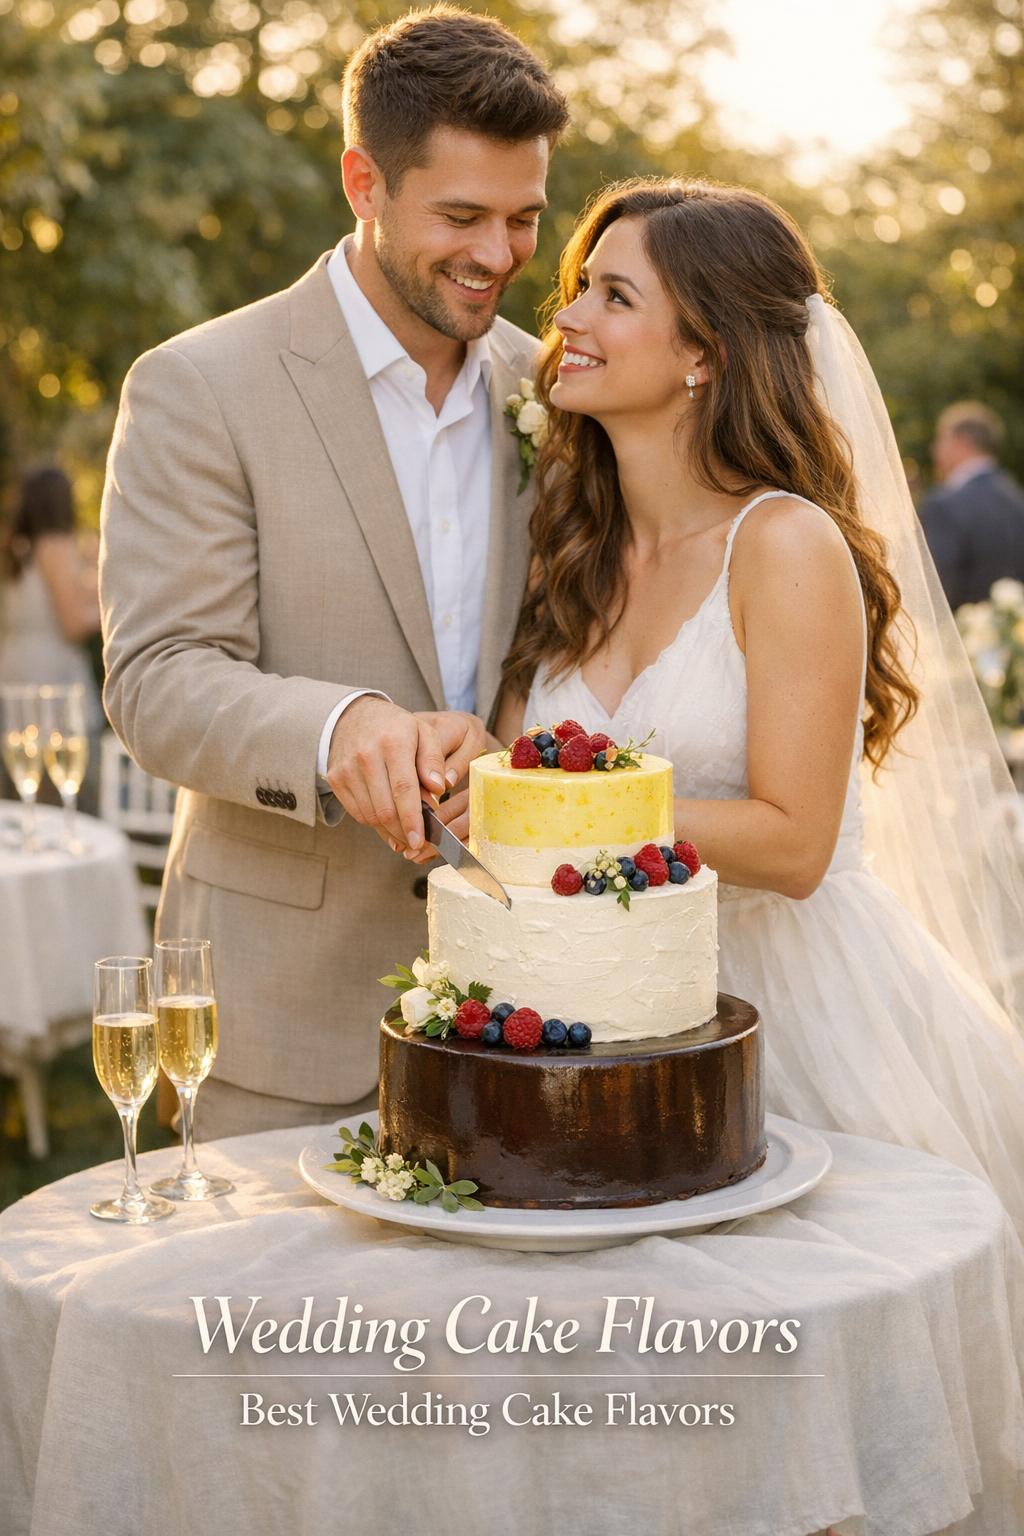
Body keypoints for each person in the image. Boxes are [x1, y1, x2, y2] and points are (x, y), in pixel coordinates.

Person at [454, 178, 1024, 1233]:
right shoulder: (570, 550)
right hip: (602, 1010)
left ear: (703, 353)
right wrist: (476, 775)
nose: (566, 318)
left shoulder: (785, 544)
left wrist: (552, 809)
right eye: (579, 287)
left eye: (613, 297)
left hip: (792, 1014)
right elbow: (522, 777)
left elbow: (796, 841)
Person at [100, 7, 568, 1139]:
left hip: (524, 1000)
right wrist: (338, 726)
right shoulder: (199, 385)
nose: (497, 256)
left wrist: (506, 749)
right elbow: (156, 679)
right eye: (459, 216)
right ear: (364, 181)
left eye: (522, 219)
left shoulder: (558, 391)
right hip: (276, 1009)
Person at [0, 466, 105, 803]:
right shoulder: (54, 545)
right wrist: (116, 616)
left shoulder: (15, 547)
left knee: (19, 793)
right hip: (50, 684)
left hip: (13, 676)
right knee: (60, 794)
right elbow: (73, 622)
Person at [920, 400, 1024, 610]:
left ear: (961, 441)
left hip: (958, 635)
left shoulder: (944, 505)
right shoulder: (1016, 500)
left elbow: (937, 590)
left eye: (940, 439)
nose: (935, 449)